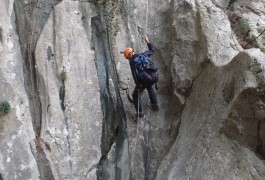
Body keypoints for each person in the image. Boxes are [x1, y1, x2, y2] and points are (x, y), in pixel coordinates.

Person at [124, 36, 159, 118]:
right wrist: (148, 41)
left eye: (127, 58)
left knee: (135, 95)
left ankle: (140, 112)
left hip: (147, 79)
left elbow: (135, 75)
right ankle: (155, 104)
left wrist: (138, 85)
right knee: (149, 87)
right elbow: (152, 50)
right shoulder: (142, 55)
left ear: (128, 57)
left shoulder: (132, 62)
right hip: (155, 76)